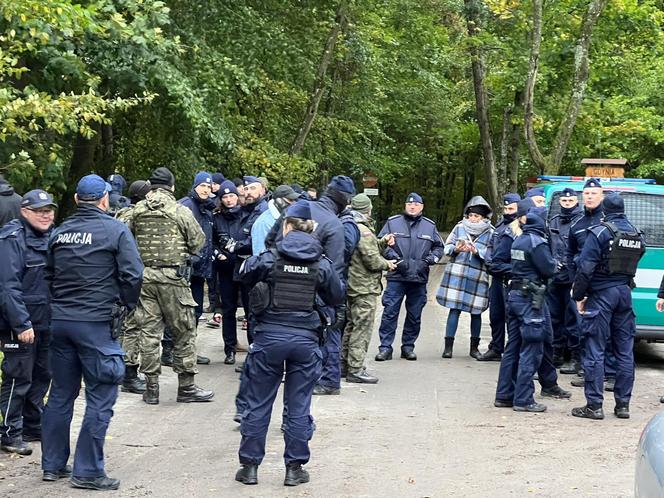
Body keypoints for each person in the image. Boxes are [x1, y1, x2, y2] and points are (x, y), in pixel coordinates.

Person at [41, 174, 143, 490]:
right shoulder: (115, 230)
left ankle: (53, 465)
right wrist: (125, 306)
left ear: (75, 200)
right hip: (96, 325)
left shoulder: (60, 233)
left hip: (60, 323)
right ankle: (87, 471)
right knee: (101, 393)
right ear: (105, 199)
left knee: (60, 393)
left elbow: (47, 275)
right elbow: (133, 274)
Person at [234, 200, 344, 487]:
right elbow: (337, 296)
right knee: (298, 406)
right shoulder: (321, 264)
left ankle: (249, 468)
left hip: (269, 338)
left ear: (285, 227)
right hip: (306, 341)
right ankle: (294, 469)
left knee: (258, 403)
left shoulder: (271, 258)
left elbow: (242, 276)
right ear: (312, 229)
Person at [121, 167, 214, 405]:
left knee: (149, 332)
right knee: (184, 331)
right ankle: (186, 387)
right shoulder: (179, 210)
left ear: (151, 186)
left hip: (144, 279)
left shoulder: (136, 210)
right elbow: (198, 242)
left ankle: (151, 388)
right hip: (173, 278)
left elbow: (121, 236)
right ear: (172, 186)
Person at [571, 193, 645, 420]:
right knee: (624, 351)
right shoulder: (635, 233)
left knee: (595, 349)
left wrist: (579, 295)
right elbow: (638, 255)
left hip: (602, 295)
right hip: (624, 294)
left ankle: (594, 405)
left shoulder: (601, 232)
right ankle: (623, 405)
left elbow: (585, 268)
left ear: (604, 210)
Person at [494, 204, 569, 413]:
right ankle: (524, 399)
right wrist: (556, 265)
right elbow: (548, 268)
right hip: (530, 300)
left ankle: (504, 395)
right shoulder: (537, 243)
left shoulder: (518, 240)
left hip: (516, 296)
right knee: (532, 349)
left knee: (513, 348)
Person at [0, 190, 56, 456]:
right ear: (25, 211)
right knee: (18, 377)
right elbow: (8, 287)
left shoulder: (52, 236)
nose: (45, 215)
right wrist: (21, 324)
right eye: (39, 211)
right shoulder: (12, 238)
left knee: (42, 375)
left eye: (49, 211)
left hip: (46, 321)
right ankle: (10, 432)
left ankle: (34, 425)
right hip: (19, 324)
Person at [374, 193, 444, 362]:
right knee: (390, 313)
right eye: (409, 204)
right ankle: (385, 347)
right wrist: (397, 260)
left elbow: (439, 248)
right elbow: (380, 244)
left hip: (418, 278)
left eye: (416, 205)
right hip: (397, 275)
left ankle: (408, 347)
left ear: (421, 207)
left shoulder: (429, 226)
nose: (412, 207)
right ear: (405, 206)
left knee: (414, 315)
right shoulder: (393, 222)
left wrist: (428, 261)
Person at [566, 178, 616, 389]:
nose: (589, 197)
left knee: (609, 331)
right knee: (585, 330)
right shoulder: (577, 224)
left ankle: (611, 374)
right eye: (586, 194)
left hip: (604, 284)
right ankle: (588, 372)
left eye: (594, 194)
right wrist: (574, 282)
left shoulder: (608, 222)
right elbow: (570, 254)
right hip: (582, 285)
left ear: (602, 196)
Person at [309, 175, 356, 395]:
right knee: (330, 331)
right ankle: (329, 380)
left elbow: (273, 244)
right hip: (321, 289)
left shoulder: (301, 210)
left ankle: (319, 377)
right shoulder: (335, 223)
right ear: (344, 200)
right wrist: (337, 303)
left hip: (293, 285)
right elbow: (335, 267)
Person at [341, 194, 396, 383]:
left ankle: (344, 364)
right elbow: (371, 260)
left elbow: (362, 250)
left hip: (351, 285)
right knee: (361, 328)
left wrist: (381, 242)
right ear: (368, 209)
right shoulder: (363, 229)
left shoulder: (349, 224)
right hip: (363, 287)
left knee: (351, 325)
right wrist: (387, 264)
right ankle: (355, 369)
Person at [437, 196, 493, 359]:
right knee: (454, 309)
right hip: (457, 275)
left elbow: (492, 255)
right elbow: (446, 247)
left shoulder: (491, 232)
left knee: (476, 312)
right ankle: (448, 348)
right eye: (471, 215)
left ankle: (474, 349)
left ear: (483, 217)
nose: (473, 219)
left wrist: (477, 252)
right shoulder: (459, 228)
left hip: (477, 277)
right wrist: (456, 249)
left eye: (477, 216)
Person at [177, 171, 216, 365]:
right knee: (182, 313)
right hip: (186, 270)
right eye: (202, 186)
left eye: (209, 187)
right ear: (195, 186)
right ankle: (178, 352)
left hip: (200, 271)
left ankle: (189, 351)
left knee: (197, 312)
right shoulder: (186, 206)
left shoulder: (207, 209)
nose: (205, 190)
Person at [479, 193, 520, 361]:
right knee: (496, 315)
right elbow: (490, 247)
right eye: (506, 208)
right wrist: (490, 262)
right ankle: (496, 347)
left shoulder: (519, 227)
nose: (508, 211)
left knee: (511, 317)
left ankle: (513, 351)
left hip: (510, 278)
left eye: (511, 208)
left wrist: (504, 267)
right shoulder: (500, 225)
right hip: (496, 277)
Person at [209, 180, 245, 364]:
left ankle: (253, 350)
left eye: (232, 196)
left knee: (250, 310)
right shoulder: (217, 218)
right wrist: (218, 254)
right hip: (225, 269)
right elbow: (211, 241)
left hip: (245, 268)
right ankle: (229, 349)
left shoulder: (246, 215)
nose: (229, 200)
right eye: (225, 197)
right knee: (228, 310)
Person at [547, 188, 583, 372]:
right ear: (560, 202)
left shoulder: (582, 221)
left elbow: (583, 250)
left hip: (572, 278)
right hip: (554, 278)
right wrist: (552, 263)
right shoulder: (552, 221)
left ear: (576, 201)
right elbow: (547, 246)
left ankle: (576, 358)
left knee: (573, 320)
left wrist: (570, 264)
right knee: (554, 318)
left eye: (570, 201)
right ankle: (556, 354)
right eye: (564, 201)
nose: (567, 204)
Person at [251, 185, 299, 255]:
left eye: (295, 200)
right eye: (290, 200)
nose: (293, 203)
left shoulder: (287, 216)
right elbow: (259, 255)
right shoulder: (263, 223)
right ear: (278, 200)